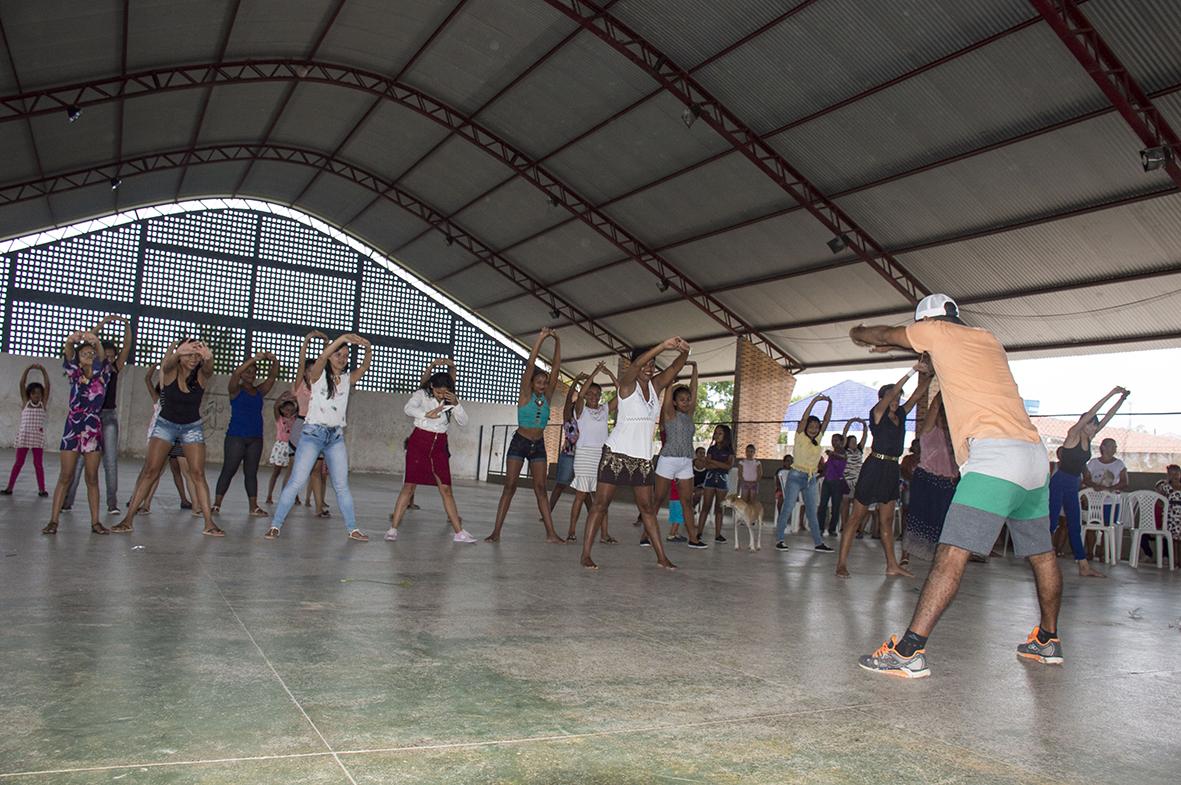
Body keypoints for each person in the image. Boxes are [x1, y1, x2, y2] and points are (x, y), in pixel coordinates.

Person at [849, 293, 1064, 679]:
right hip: (1033, 456)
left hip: (994, 459)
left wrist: (861, 333)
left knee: (951, 554)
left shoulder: (937, 332)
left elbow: (885, 332)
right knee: (1043, 554)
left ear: (930, 322)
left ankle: (909, 651)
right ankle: (1047, 640)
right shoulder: (987, 339)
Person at [580, 338, 691, 570]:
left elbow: (675, 368)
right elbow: (634, 366)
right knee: (600, 504)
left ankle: (661, 556)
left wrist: (685, 351)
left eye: (653, 364)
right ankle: (586, 555)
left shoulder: (656, 386)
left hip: (642, 460)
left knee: (648, 508)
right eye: (645, 363)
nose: (649, 367)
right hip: (616, 455)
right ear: (636, 365)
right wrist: (662, 346)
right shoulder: (627, 385)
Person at [264, 332, 373, 541]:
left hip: (335, 437)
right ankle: (275, 525)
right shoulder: (317, 376)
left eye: (345, 355)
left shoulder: (346, 379)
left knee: (341, 485)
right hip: (312, 434)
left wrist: (367, 348)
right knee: (296, 481)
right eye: (338, 354)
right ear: (330, 355)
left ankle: (352, 528)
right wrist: (341, 339)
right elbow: (322, 358)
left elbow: (365, 366)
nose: (342, 358)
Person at [114, 339, 221, 537]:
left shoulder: (201, 376)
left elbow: (209, 370)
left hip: (192, 427)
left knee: (197, 473)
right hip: (165, 425)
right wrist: (177, 352)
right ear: (180, 356)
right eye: (189, 354)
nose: (193, 358)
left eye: (196, 356)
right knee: (150, 471)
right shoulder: (171, 371)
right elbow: (167, 364)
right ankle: (128, 519)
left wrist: (209, 359)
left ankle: (209, 523)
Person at [834, 363, 931, 578]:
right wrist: (913, 370)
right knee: (857, 516)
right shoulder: (877, 413)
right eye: (892, 397)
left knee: (887, 520)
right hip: (874, 467)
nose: (896, 401)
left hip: (891, 469)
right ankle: (841, 564)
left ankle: (892, 565)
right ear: (882, 399)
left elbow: (915, 396)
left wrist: (931, 375)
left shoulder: (902, 414)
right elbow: (895, 393)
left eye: (897, 398)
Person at [43, 317, 130, 535]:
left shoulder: (104, 375)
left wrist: (95, 341)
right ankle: (53, 520)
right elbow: (69, 351)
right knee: (66, 475)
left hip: (92, 427)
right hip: (73, 427)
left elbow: (101, 355)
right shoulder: (74, 373)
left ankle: (95, 522)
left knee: (92, 477)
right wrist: (72, 341)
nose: (89, 356)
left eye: (92, 353)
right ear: (79, 360)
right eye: (85, 354)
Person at [386, 358, 477, 543]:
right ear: (431, 387)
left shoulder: (451, 400)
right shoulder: (422, 394)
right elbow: (408, 408)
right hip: (419, 441)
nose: (440, 395)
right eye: (437, 391)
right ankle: (393, 529)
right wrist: (425, 414)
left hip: (440, 445)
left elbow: (464, 422)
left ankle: (459, 533)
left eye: (444, 392)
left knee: (446, 489)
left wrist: (457, 404)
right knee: (409, 485)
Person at [486, 328, 564, 543]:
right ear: (531, 383)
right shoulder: (525, 394)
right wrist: (540, 339)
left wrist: (557, 341)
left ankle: (550, 533)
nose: (543, 385)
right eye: (539, 382)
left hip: (538, 445)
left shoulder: (546, 397)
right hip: (519, 443)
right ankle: (496, 532)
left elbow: (557, 368)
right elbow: (530, 366)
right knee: (510, 486)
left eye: (545, 383)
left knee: (541, 488)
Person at [1049, 387, 1129, 578]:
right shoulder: (1073, 434)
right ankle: (1039, 557)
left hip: (1073, 484)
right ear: (1084, 423)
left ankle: (1083, 566)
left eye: (1095, 425)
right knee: (1052, 522)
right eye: (1091, 424)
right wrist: (1111, 393)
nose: (1094, 428)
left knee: (1075, 525)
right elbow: (1093, 412)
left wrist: (1122, 399)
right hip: (1060, 482)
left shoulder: (1090, 436)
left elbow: (1108, 417)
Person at [63, 339, 126, 514]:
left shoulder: (107, 371)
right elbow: (79, 348)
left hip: (105, 418)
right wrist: (90, 335)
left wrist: (127, 325)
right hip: (83, 422)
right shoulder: (79, 373)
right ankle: (66, 501)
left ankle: (111, 504)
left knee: (109, 463)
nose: (109, 358)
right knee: (77, 463)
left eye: (113, 356)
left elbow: (124, 348)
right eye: (105, 355)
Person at [212, 353, 280, 516]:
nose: (250, 374)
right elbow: (235, 374)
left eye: (253, 372)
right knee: (229, 470)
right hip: (236, 436)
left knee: (251, 472)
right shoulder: (235, 390)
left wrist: (275, 361)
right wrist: (254, 360)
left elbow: (271, 378)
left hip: (255, 438)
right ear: (242, 373)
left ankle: (253, 507)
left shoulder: (259, 391)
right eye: (247, 371)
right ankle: (216, 504)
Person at [653, 359, 706, 549]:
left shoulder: (689, 415)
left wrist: (695, 368)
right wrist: (671, 383)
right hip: (668, 460)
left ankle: (693, 538)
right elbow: (667, 398)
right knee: (658, 499)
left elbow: (694, 390)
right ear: (675, 402)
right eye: (682, 400)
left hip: (685, 461)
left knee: (687, 501)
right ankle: (646, 535)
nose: (686, 402)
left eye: (687, 399)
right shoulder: (669, 414)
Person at [901, 393, 959, 563]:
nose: (944, 419)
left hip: (947, 483)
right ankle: (905, 556)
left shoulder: (954, 437)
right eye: (942, 415)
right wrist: (945, 387)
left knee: (943, 521)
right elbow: (934, 406)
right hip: (926, 479)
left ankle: (941, 557)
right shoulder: (928, 431)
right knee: (916, 518)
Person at [776, 395, 834, 553]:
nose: (814, 428)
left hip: (811, 478)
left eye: (816, 426)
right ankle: (780, 539)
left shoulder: (819, 437)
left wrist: (830, 404)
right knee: (788, 507)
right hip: (796, 475)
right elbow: (804, 418)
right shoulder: (800, 436)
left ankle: (818, 543)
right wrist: (815, 401)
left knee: (811, 511)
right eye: (811, 425)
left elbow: (827, 420)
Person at [568, 362, 617, 544]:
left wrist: (610, 373)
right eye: (591, 393)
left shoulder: (604, 410)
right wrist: (595, 372)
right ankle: (572, 531)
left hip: (601, 456)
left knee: (602, 498)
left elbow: (621, 396)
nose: (594, 396)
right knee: (581, 495)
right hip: (584, 454)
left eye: (597, 394)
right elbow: (580, 394)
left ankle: (604, 535)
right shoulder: (580, 410)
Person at [137, 363, 194, 513]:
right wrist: (158, 368)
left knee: (182, 471)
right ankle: (143, 502)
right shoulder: (159, 399)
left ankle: (191, 503)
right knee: (153, 471)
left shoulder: (179, 397)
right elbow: (151, 379)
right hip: (161, 437)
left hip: (177, 436)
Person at [3, 364, 50, 497]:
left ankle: (42, 489)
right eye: (34, 393)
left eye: (39, 393)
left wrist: (43, 370)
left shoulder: (43, 404)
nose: (37, 396)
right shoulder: (25, 402)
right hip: (24, 436)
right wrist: (28, 369)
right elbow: (21, 384)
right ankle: (9, 487)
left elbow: (48, 385)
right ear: (29, 394)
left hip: (37, 437)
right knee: (18, 463)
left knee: (38, 464)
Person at [547, 373, 585, 524]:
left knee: (584, 488)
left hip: (582, 455)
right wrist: (575, 381)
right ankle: (547, 512)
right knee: (560, 485)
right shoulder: (568, 419)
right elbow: (569, 400)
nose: (580, 408)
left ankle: (595, 516)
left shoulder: (586, 420)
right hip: (568, 455)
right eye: (577, 406)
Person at [696, 423, 735, 543]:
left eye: (720, 433)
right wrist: (717, 464)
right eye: (716, 433)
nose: (717, 435)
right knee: (706, 506)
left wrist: (713, 462)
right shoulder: (711, 449)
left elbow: (728, 466)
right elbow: (707, 464)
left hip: (722, 479)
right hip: (710, 477)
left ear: (726, 435)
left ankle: (718, 534)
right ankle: (699, 532)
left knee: (719, 507)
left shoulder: (729, 451)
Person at [266, 394, 298, 504]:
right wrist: (281, 397)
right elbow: (275, 406)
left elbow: (299, 409)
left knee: (292, 474)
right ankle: (269, 495)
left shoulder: (295, 419)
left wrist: (296, 399)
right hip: (281, 446)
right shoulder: (279, 419)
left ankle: (293, 496)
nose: (289, 411)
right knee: (276, 472)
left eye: (291, 409)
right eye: (286, 409)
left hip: (291, 447)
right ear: (282, 410)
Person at [818, 432, 848, 537]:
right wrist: (819, 475)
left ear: (841, 442)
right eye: (832, 440)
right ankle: (820, 527)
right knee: (823, 505)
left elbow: (844, 457)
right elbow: (827, 467)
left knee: (835, 507)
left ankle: (832, 528)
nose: (833, 442)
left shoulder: (842, 452)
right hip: (827, 481)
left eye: (836, 440)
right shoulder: (832, 454)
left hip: (837, 482)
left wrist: (833, 454)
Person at [1153, 464, 1181, 568]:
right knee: (1173, 539)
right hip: (1171, 516)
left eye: (1176, 473)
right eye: (1171, 474)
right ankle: (1173, 561)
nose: (1174, 476)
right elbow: (1159, 501)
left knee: (1180, 540)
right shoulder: (1165, 487)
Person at [840, 427, 865, 535]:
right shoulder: (845, 451)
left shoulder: (859, 450)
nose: (854, 443)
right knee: (845, 503)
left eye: (855, 441)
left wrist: (864, 425)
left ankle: (856, 526)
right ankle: (844, 525)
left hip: (858, 481)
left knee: (857, 505)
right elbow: (844, 434)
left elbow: (865, 437)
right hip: (847, 480)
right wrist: (850, 423)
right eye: (852, 441)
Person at [774, 454, 793, 519]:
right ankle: (780, 516)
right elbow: (777, 482)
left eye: (791, 461)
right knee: (781, 499)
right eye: (787, 461)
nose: (789, 463)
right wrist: (782, 489)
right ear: (784, 462)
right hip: (780, 490)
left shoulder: (794, 471)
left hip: (791, 491)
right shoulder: (780, 471)